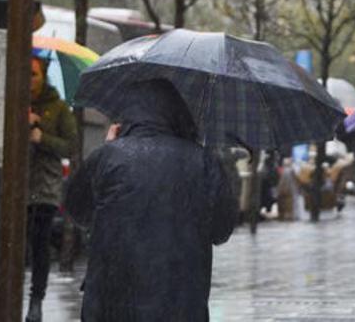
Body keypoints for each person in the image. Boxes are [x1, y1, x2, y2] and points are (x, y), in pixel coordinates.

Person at [64, 79, 239, 321]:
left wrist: (109, 148)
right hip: (181, 302)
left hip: (113, 302)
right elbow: (221, 231)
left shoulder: (108, 157)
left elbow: (77, 210)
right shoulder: (203, 162)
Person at [26, 57, 78, 322]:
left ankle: (36, 300)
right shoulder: (14, 101)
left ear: (43, 76)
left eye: (34, 74)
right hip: (17, 188)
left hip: (44, 188)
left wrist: (40, 134)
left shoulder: (57, 108)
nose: (29, 80)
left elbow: (70, 146)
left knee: (39, 245)